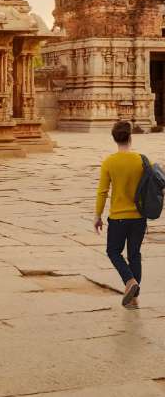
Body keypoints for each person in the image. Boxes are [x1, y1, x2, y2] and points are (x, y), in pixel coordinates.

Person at [94, 120, 147, 308]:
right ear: (130, 137)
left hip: (118, 217)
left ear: (114, 139)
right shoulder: (141, 160)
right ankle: (133, 298)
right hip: (139, 217)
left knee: (113, 251)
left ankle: (130, 281)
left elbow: (102, 191)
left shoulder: (109, 162)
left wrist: (98, 215)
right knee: (134, 255)